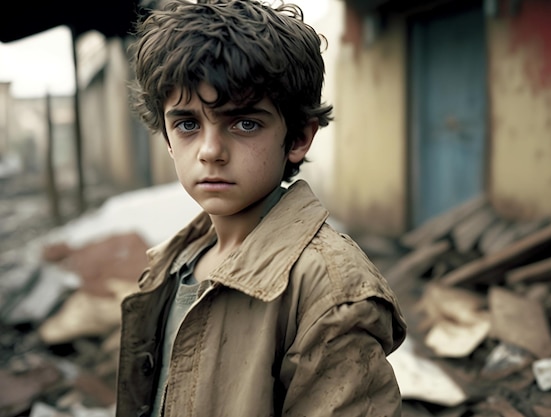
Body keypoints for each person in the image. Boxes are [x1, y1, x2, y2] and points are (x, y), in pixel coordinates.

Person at [115, 0, 407, 416]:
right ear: (166, 136)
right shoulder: (178, 260)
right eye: (188, 124)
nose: (210, 151)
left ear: (299, 138)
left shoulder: (328, 288)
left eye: (244, 123)